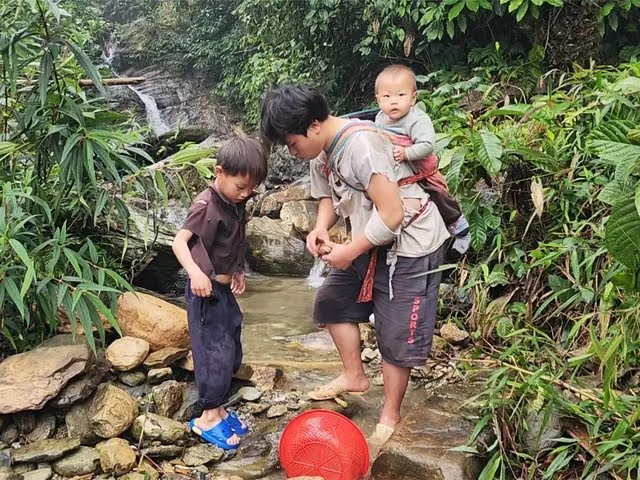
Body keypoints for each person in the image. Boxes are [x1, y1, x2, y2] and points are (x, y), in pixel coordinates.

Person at [260, 86, 450, 447]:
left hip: (410, 245)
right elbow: (329, 197)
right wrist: (319, 227)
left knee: (394, 335)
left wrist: (349, 252)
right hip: (367, 240)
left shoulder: (361, 146)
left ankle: (390, 413)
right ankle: (354, 376)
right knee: (331, 303)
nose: (291, 151)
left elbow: (393, 214)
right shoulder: (322, 153)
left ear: (314, 126)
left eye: (291, 142)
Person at [171, 135, 268, 450]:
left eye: (251, 189)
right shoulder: (205, 204)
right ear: (219, 172)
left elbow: (234, 241)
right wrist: (196, 273)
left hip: (223, 289)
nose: (246, 194)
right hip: (204, 291)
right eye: (241, 187)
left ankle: (219, 407)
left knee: (231, 345)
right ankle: (206, 418)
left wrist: (238, 271)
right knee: (212, 350)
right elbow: (179, 243)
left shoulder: (235, 202)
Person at [374, 64, 470, 258]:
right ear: (378, 100)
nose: (393, 102)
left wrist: (407, 153)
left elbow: (427, 144)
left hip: (422, 170)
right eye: (387, 97)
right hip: (398, 174)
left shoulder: (416, 119)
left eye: (400, 95)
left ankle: (461, 230)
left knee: (439, 196)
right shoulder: (380, 118)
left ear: (413, 97)